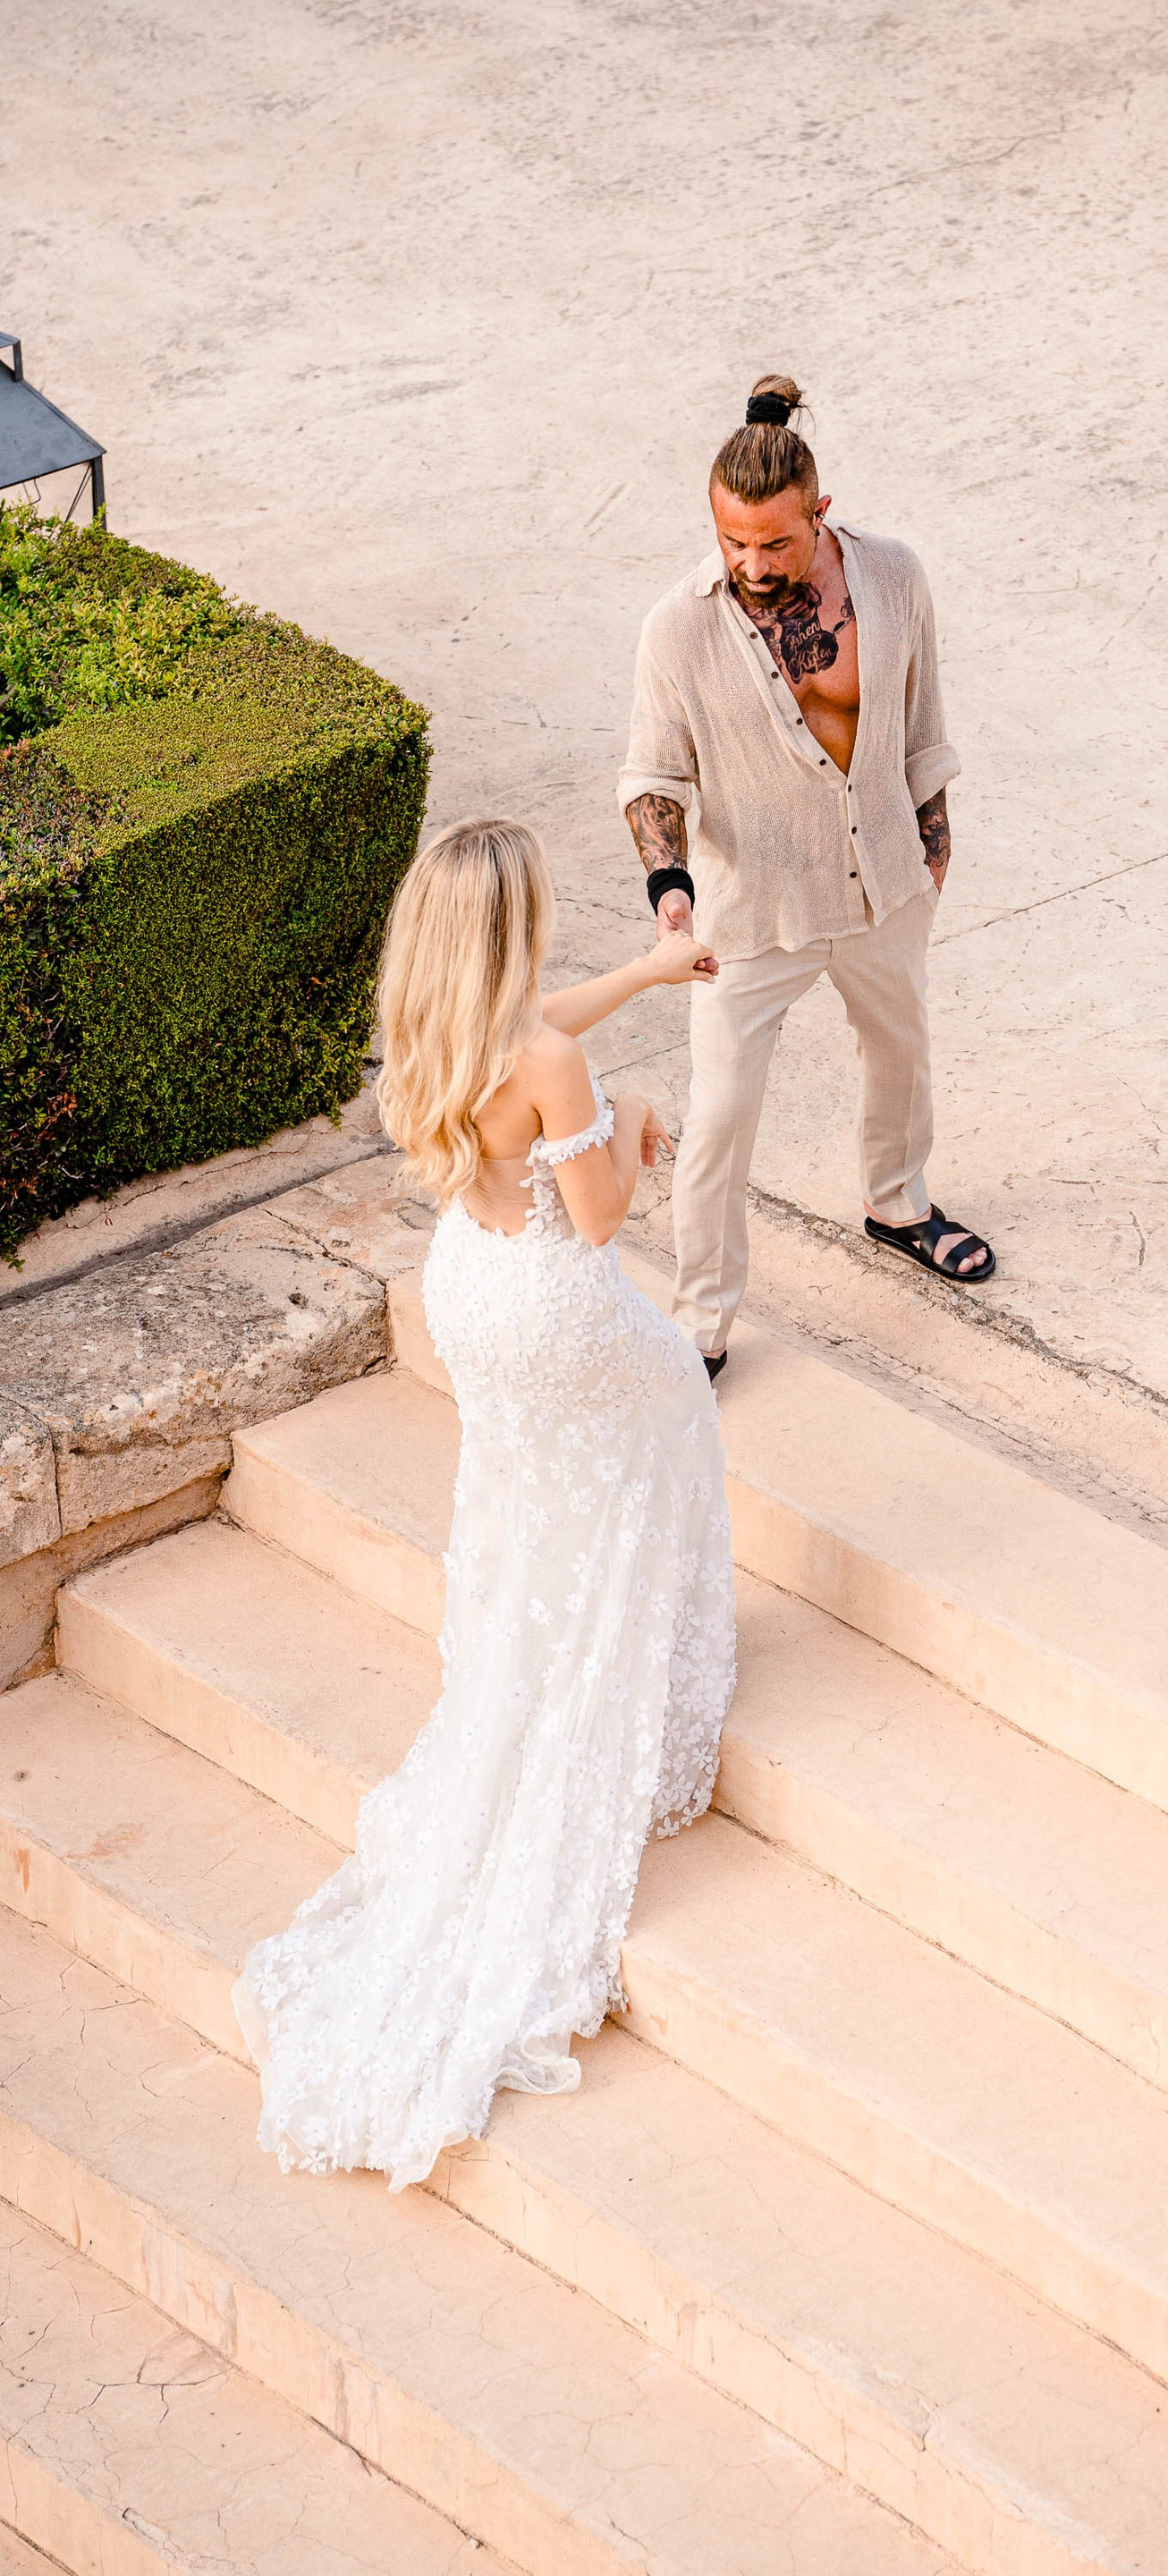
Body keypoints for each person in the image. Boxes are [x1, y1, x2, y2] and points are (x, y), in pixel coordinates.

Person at [233, 818, 735, 2192]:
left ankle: (549, 1638)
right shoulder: (551, 1066)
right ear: (515, 927)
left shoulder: (436, 1024)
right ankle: (642, 1672)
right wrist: (637, 1119)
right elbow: (603, 1214)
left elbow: (540, 1030)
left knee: (538, 1491)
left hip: (472, 1287)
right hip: (556, 1298)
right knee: (672, 1408)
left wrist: (650, 973)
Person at [621, 372, 994, 1377]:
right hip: (750, 912)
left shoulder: (894, 576)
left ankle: (898, 1205)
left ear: (819, 511)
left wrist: (934, 843)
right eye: (732, 542)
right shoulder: (678, 628)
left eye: (775, 544)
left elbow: (922, 720)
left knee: (901, 1049)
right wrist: (671, 893)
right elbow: (653, 778)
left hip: (883, 880)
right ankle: (699, 1326)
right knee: (719, 1119)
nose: (751, 564)